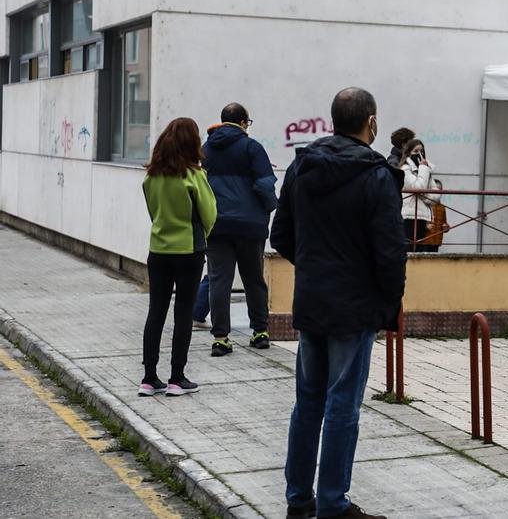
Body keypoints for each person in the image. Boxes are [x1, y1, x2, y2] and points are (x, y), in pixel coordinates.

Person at [271, 88, 406, 519]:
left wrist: (313, 267)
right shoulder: (378, 175)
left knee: (308, 402)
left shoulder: (302, 166)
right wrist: (388, 302)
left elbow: (281, 236)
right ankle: (332, 503)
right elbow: (390, 251)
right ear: (371, 123)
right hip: (354, 306)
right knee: (343, 405)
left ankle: (298, 501)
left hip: (312, 301)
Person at [139, 118, 217, 398]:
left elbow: (152, 212)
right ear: (192, 143)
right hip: (189, 251)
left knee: (155, 312)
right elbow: (209, 214)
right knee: (183, 313)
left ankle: (148, 378)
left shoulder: (151, 176)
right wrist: (201, 234)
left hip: (158, 250)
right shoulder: (195, 176)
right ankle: (176, 377)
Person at [202, 103, 278, 357]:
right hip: (249, 226)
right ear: (244, 122)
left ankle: (221, 338)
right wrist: (269, 208)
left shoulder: (207, 149)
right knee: (253, 279)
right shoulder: (252, 147)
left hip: (217, 225)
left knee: (218, 281)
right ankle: (260, 332)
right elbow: (265, 184)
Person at [398, 138, 441, 253]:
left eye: (422, 151)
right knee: (409, 251)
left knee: (419, 251)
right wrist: (423, 168)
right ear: (408, 153)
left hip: (423, 217)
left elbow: (436, 195)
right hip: (409, 217)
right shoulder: (405, 170)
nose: (420, 154)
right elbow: (419, 187)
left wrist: (422, 194)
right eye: (416, 151)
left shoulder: (426, 171)